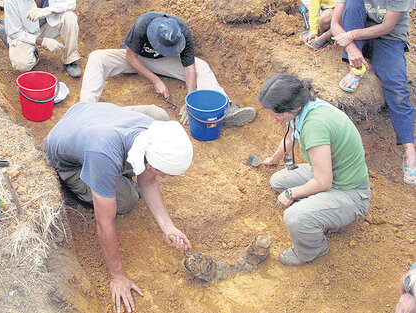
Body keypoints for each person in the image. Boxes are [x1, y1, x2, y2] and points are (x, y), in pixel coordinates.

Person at [44, 101, 193, 313]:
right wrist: (117, 276)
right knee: (128, 199)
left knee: (158, 114)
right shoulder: (103, 155)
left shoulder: (151, 131)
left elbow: (148, 180)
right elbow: (104, 222)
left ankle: (120, 174)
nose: (166, 178)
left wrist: (168, 227)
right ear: (151, 165)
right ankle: (90, 180)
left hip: (88, 115)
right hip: (67, 158)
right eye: (166, 173)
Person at [257, 74, 371, 266]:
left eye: (274, 114)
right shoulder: (307, 107)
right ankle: (318, 208)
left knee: (295, 216)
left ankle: (312, 250)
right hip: (332, 174)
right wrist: (273, 159)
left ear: (290, 108)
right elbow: (291, 136)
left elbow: (323, 182)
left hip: (350, 192)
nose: (271, 118)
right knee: (278, 181)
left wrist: (291, 193)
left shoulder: (314, 126)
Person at [80, 11, 256, 127]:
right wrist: (155, 80)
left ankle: (225, 108)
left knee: (201, 65)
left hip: (162, 62)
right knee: (97, 57)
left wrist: (190, 100)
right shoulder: (143, 23)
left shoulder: (183, 31)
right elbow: (130, 57)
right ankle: (85, 112)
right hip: (135, 59)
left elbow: (189, 65)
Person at [330, 0, 416, 185]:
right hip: (357, 39)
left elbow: (386, 27)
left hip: (389, 39)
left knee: (397, 87)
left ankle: (409, 149)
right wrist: (351, 48)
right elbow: (335, 24)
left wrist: (350, 35)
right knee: (353, 4)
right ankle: (356, 69)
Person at [4, 0, 82, 77]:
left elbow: (71, 3)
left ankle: (70, 59)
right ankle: (34, 54)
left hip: (49, 26)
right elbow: (14, 32)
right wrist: (43, 42)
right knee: (21, 65)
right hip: (25, 34)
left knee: (69, 17)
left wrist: (48, 11)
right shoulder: (11, 1)